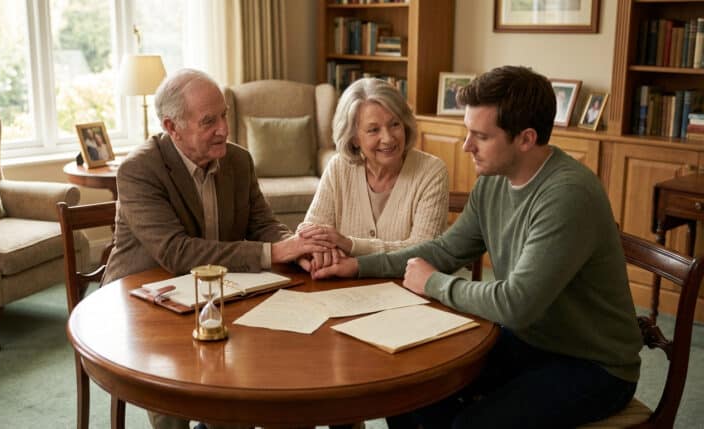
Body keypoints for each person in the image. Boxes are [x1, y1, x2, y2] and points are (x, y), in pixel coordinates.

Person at [312, 65, 642, 428]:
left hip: (593, 363)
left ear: (526, 139)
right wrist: (358, 266)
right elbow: (445, 251)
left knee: (469, 425)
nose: (467, 146)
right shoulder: (494, 180)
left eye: (480, 136)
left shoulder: (567, 195)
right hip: (531, 341)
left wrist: (433, 282)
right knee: (411, 386)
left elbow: (516, 305)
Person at [103, 68, 331, 429]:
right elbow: (177, 253)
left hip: (219, 295)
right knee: (174, 410)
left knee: (258, 383)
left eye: (223, 114)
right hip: (146, 304)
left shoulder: (238, 160)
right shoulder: (139, 170)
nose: (223, 128)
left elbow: (263, 225)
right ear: (172, 127)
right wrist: (272, 254)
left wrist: (295, 247)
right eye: (208, 121)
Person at [297, 77, 449, 274]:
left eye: (394, 124)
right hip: (343, 291)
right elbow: (311, 234)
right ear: (354, 137)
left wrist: (349, 245)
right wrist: (320, 251)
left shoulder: (431, 171)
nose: (387, 138)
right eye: (373, 130)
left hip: (408, 293)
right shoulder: (338, 167)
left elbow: (424, 253)